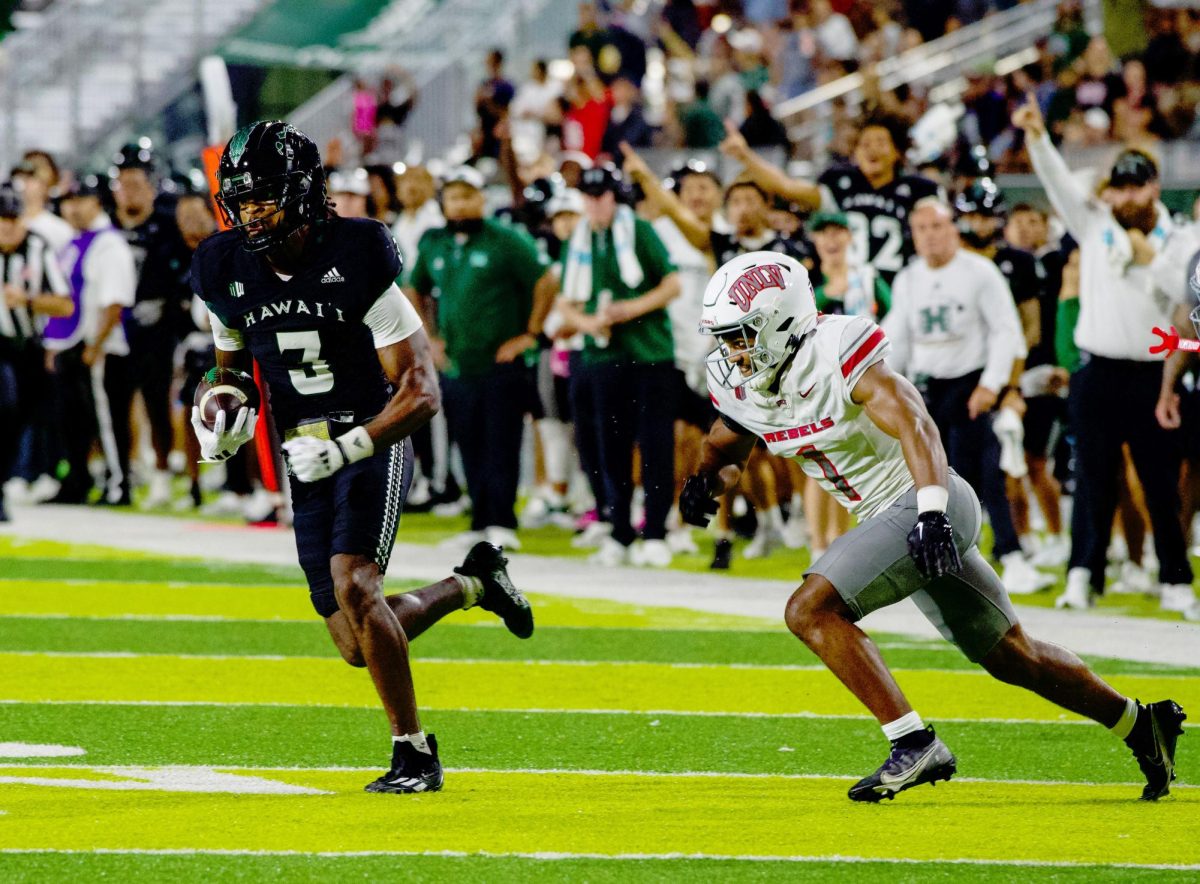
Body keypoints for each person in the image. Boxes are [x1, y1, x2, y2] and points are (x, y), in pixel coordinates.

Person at [680, 250, 1186, 803]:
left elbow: (916, 422)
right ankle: (1141, 724)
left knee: (809, 610)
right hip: (889, 518)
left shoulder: (833, 350)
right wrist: (705, 481)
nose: (731, 352)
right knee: (1012, 655)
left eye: (740, 335)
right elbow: (727, 443)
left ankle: (913, 741)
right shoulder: (748, 382)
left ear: (779, 322)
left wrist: (931, 510)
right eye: (726, 338)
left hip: (926, 500)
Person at [190, 121, 534, 794]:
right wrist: (220, 408)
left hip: (372, 429)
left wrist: (350, 443)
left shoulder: (359, 254)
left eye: (265, 197)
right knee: (356, 639)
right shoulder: (223, 268)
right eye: (243, 198)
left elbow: (421, 391)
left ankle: (414, 752)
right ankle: (475, 584)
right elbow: (227, 368)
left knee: (357, 583)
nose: (252, 212)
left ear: (304, 193)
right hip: (301, 445)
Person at [1015, 93, 1196, 613]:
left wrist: (1148, 257)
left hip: (1154, 375)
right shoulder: (1094, 224)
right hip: (1096, 371)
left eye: (1136, 186)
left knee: (1159, 483)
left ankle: (1175, 578)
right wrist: (1037, 136)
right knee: (1092, 478)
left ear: (1154, 187)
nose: (1126, 198)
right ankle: (1083, 574)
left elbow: (1186, 298)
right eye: (1119, 188)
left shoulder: (1178, 238)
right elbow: (1054, 180)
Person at [885, 198, 1049, 595]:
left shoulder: (980, 272)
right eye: (921, 228)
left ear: (953, 229)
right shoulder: (908, 278)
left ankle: (1010, 555)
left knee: (991, 473)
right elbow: (898, 338)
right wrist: (890, 385)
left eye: (936, 226)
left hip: (972, 383)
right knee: (934, 477)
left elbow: (1006, 331)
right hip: (928, 389)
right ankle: (947, 558)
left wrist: (991, 384)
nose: (929, 236)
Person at [408, 166, 555, 551]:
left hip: (501, 362)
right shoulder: (435, 242)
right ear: (444, 202)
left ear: (482, 199)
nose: (461, 203)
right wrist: (431, 338)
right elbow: (413, 288)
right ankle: (479, 520)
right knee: (466, 441)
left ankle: (502, 520)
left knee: (501, 440)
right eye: (454, 196)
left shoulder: (506, 239)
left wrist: (531, 335)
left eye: (468, 196)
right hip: (456, 362)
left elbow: (546, 280)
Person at [554, 163, 681, 567]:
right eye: (589, 198)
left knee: (655, 443)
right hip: (603, 355)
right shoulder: (579, 239)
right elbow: (565, 303)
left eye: (602, 196)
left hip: (650, 354)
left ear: (614, 196)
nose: (595, 205)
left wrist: (629, 310)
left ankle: (656, 532)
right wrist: (589, 323)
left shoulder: (639, 230)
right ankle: (620, 531)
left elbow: (671, 284)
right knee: (611, 446)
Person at [719, 116, 943, 283]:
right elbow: (786, 186)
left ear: (897, 151)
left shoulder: (919, 189)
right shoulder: (840, 183)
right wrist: (744, 155)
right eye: (865, 144)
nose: (872, 149)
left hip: (899, 285)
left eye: (881, 142)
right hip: (844, 291)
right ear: (855, 151)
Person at [46, 174, 137, 506]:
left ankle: (119, 484)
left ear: (96, 202)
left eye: (79, 200)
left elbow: (114, 301)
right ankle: (80, 481)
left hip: (104, 346)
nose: (72, 208)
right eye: (67, 202)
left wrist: (96, 345)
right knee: (77, 420)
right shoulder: (75, 243)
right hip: (77, 343)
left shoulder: (108, 243)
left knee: (108, 419)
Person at [111, 142, 193, 509]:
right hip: (113, 325)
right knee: (114, 402)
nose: (129, 188)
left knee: (157, 400)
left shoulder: (167, 224)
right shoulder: (107, 226)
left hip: (156, 326)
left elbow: (182, 277)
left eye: (136, 181)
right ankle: (123, 473)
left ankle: (161, 471)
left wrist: (168, 308)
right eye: (124, 181)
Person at [0, 182, 73, 522]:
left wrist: (27, 299)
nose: (5, 226)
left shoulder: (38, 248)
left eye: (11, 218)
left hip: (24, 347)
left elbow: (64, 304)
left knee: (20, 413)